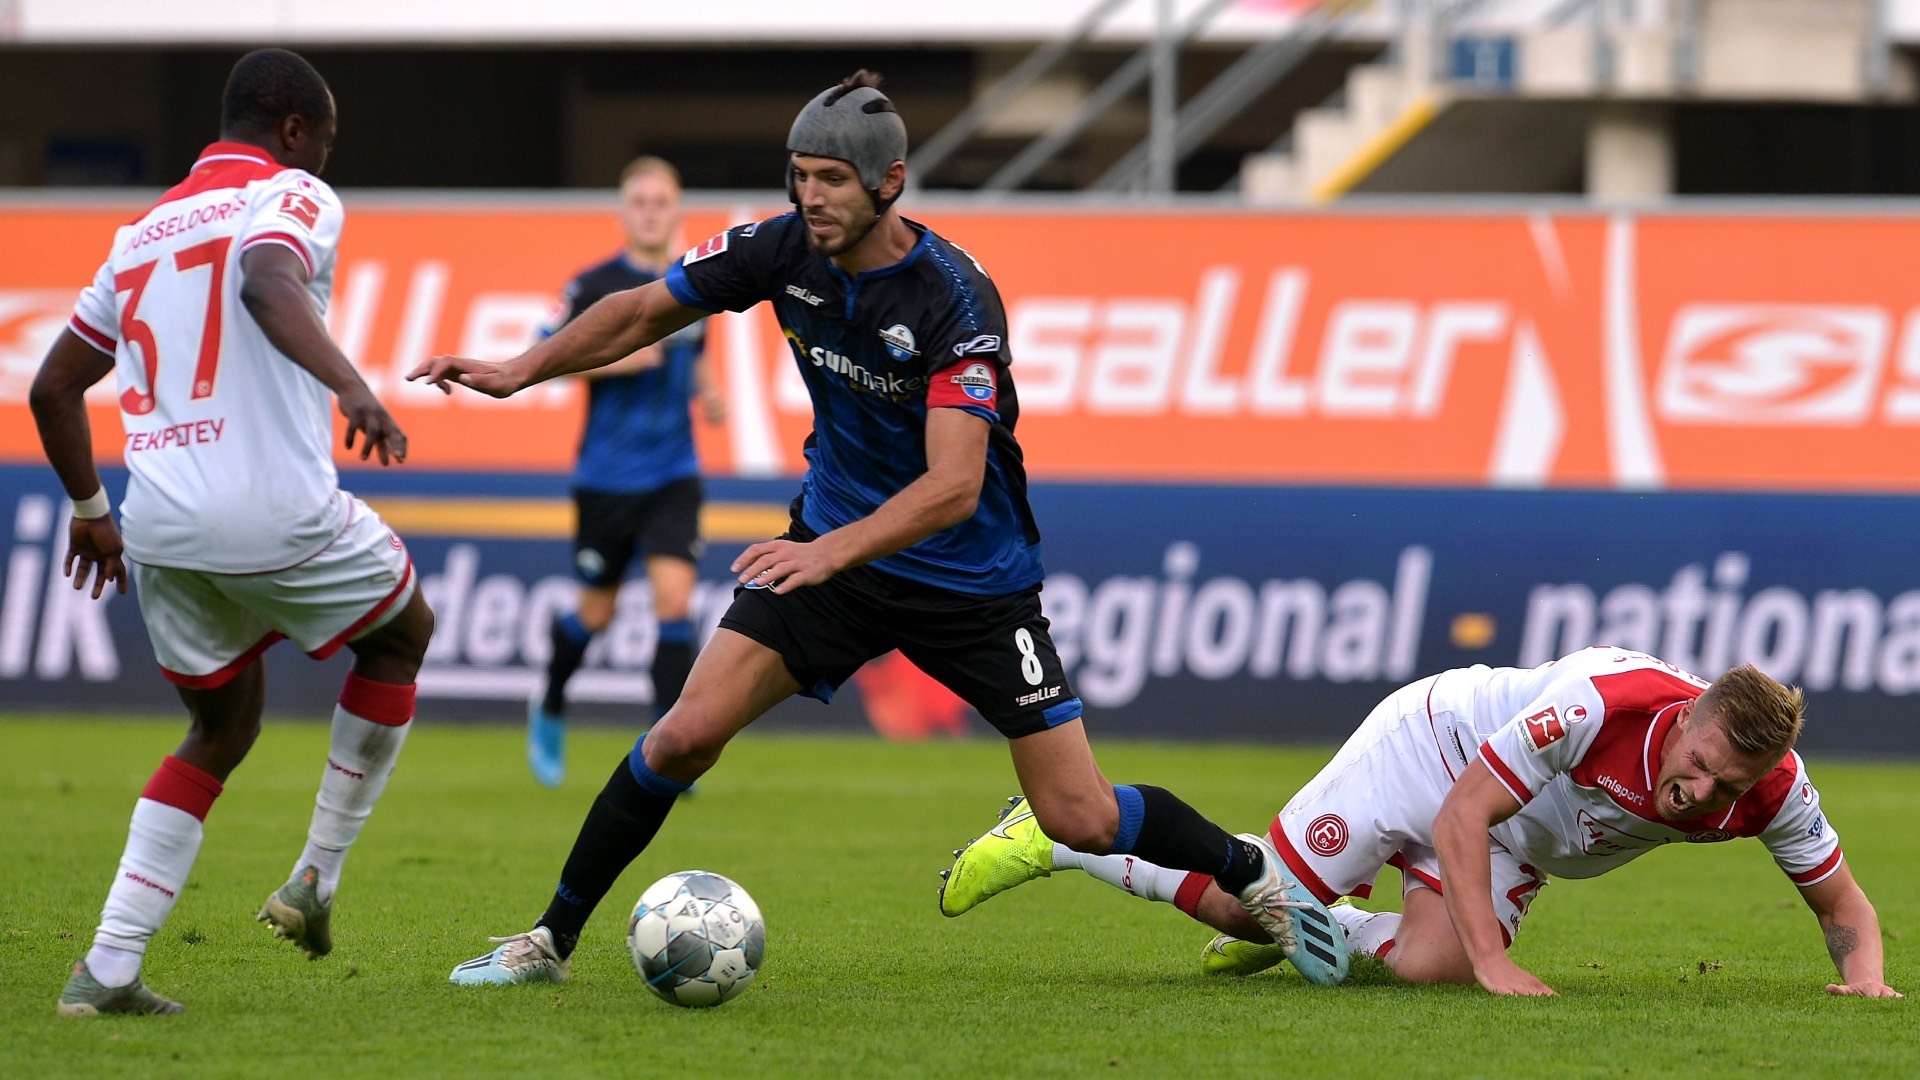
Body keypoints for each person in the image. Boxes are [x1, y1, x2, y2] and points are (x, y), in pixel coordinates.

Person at [411, 70, 1336, 987]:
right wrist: (519, 370)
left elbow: (951, 487)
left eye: (831, 180)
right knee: (681, 736)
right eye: (800, 175)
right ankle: (547, 943)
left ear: (888, 184)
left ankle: (1251, 872)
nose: (810, 197)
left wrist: (824, 551)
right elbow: (646, 308)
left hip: (969, 581)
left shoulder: (955, 300)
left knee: (1081, 817)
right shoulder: (780, 250)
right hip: (834, 560)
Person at [31, 48, 435, 1017]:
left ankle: (109, 969)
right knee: (403, 633)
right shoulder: (291, 194)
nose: (325, 163)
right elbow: (265, 280)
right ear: (295, 130)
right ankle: (315, 881)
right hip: (273, 507)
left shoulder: (136, 236)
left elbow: (53, 386)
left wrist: (91, 514)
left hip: (157, 524)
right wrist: (351, 384)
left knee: (220, 724)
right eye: (324, 144)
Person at [941, 647, 1903, 998]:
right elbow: (1462, 814)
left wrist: (1866, 982)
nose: (1702, 793)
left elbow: (1841, 902)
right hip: (1436, 754)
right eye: (1698, 765)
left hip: (1518, 835)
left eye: (1728, 786)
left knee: (1421, 969)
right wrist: (1497, 961)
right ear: (1684, 716)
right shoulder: (1595, 704)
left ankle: (1299, 921)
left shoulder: (1773, 788)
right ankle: (1064, 835)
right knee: (1247, 908)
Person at [526, 155, 726, 789]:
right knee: (597, 612)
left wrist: (709, 392)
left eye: (660, 201)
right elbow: (542, 355)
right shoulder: (592, 286)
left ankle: (668, 745)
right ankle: (551, 700)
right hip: (606, 477)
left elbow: (697, 355)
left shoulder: (694, 283)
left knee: (674, 602)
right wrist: (616, 360)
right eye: (639, 201)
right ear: (622, 212)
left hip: (674, 470)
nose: (649, 211)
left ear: (677, 211)